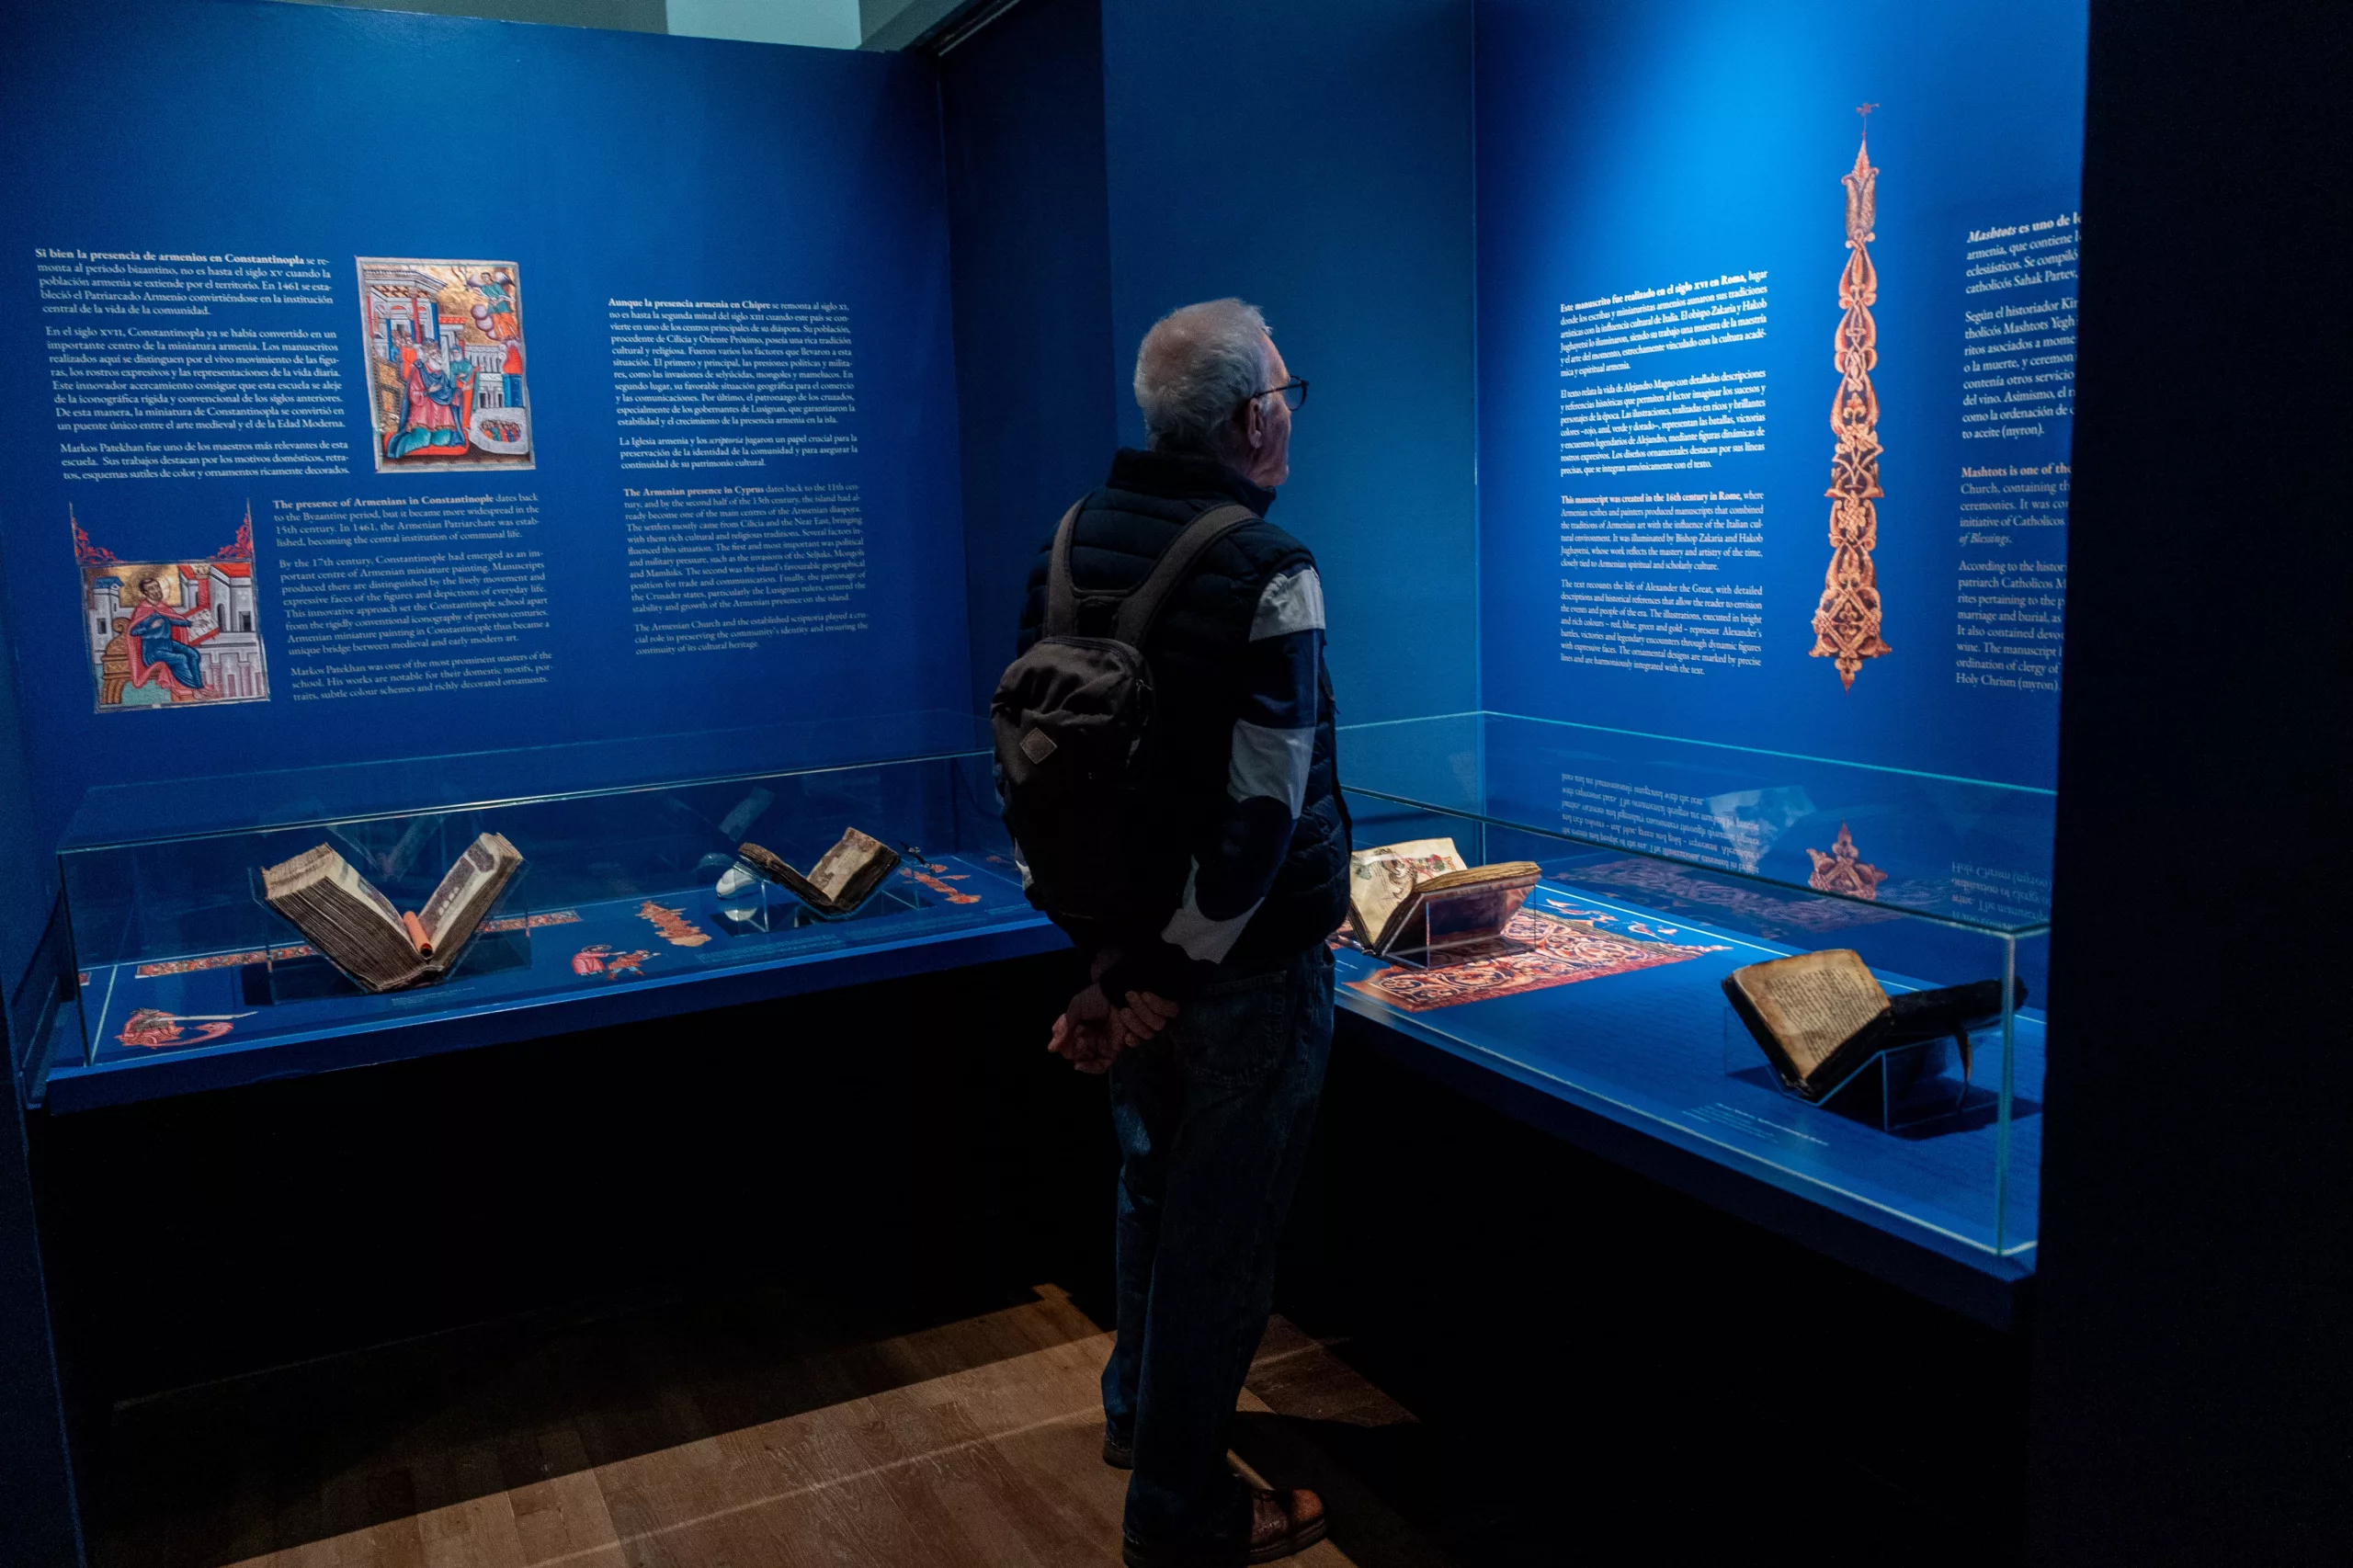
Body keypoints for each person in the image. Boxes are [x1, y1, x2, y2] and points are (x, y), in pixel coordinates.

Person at [1017, 298, 1346, 1566]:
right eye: (1287, 393)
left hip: (1125, 966)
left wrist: (1111, 970)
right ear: (1253, 418)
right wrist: (1159, 975)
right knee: (1225, 1231)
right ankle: (1183, 1511)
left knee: (1153, 1185)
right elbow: (1261, 820)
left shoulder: (1064, 543)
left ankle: (1135, 1418)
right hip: (1242, 979)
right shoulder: (1272, 571)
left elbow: (1041, 789)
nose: (1290, 416)